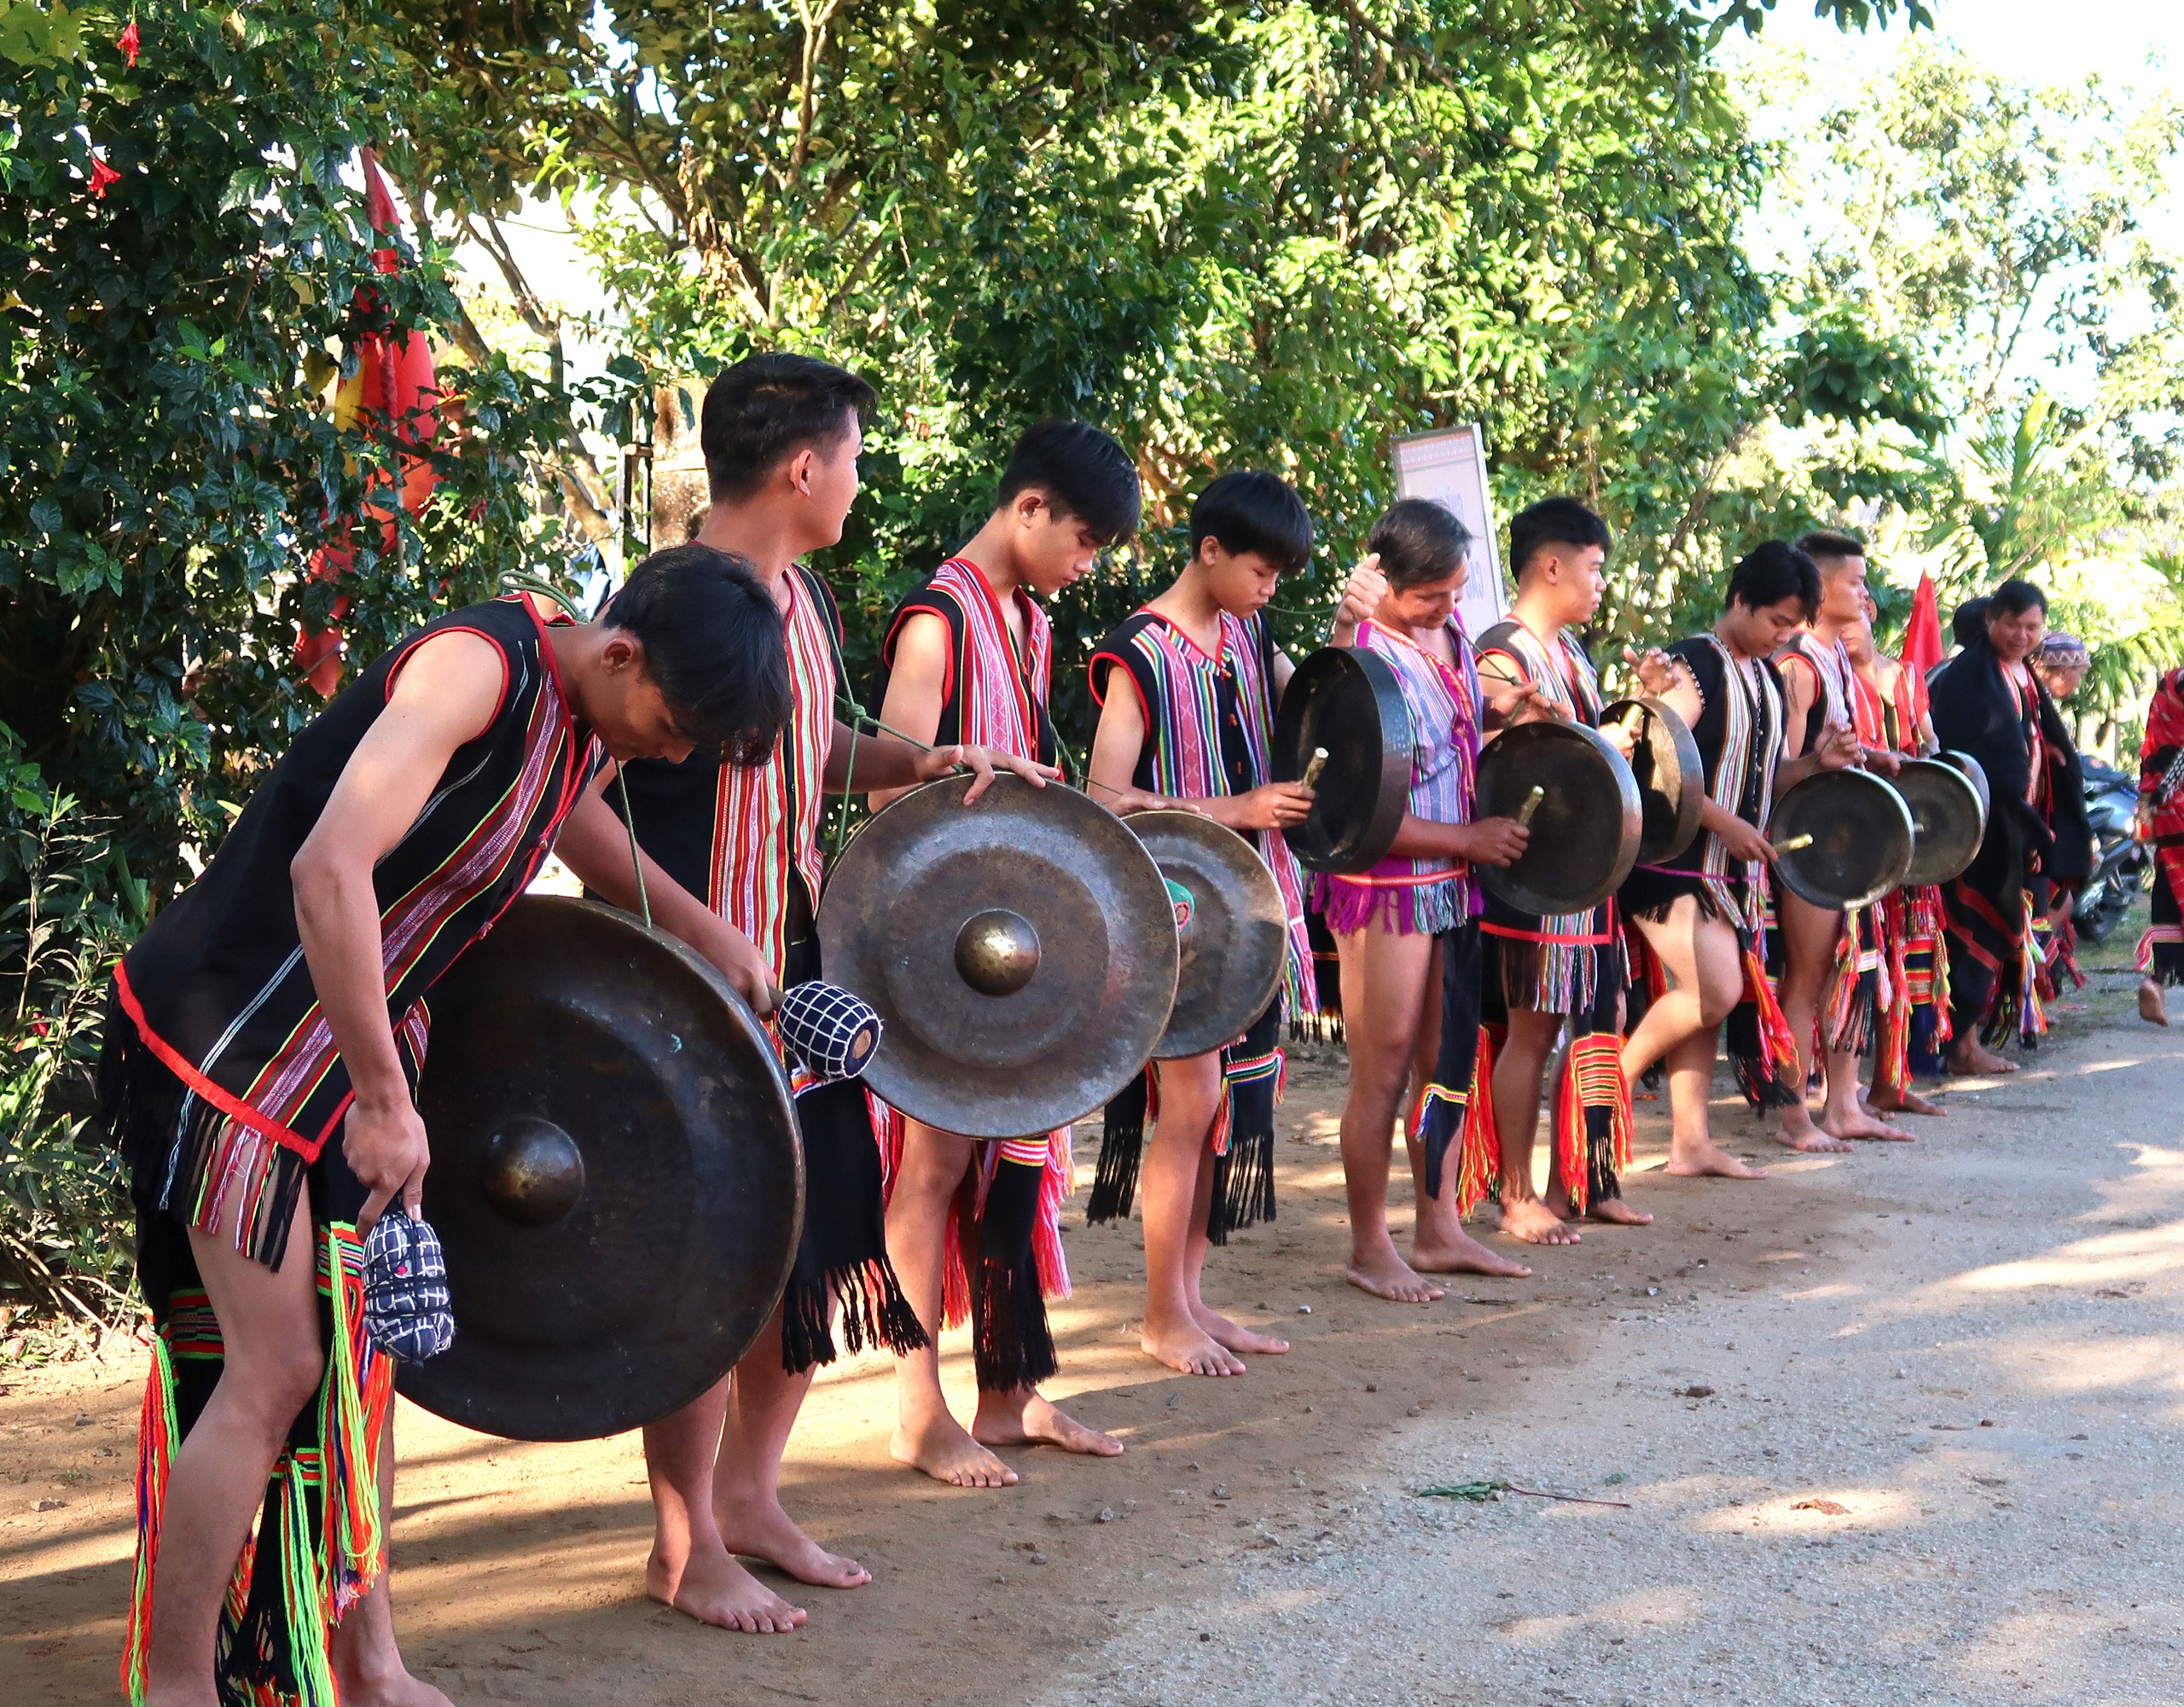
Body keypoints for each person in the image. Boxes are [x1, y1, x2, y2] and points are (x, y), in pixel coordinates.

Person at [105, 548, 794, 1706]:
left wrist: (699, 930)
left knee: (362, 1358)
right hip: (232, 1042)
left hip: (344, 1045)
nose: (671, 755)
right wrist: (386, 1101)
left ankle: (369, 1663)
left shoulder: (583, 708)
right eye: (672, 726)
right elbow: (329, 869)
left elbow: (569, 818)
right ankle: (176, 1687)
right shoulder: (476, 669)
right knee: (278, 1368)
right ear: (621, 653)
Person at [608, 355, 1057, 1631]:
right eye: (853, 459)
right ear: (803, 467)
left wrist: (923, 760)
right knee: (712, 1258)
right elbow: (580, 801)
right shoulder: (666, 601)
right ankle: (684, 1544)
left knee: (807, 1232)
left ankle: (749, 1499)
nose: (859, 482)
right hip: (687, 974)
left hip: (795, 960)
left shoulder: (801, 601)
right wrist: (692, 935)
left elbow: (811, 757)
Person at [871, 420, 1148, 1475]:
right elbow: (891, 793)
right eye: (1083, 541)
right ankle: (917, 1408)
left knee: (1016, 1156)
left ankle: (1007, 1392)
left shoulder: (1027, 621)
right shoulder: (937, 621)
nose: (1087, 566)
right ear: (1029, 508)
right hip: (936, 940)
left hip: (1013, 941)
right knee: (934, 1163)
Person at [1083, 470, 1322, 1371]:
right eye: (1260, 571)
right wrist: (1238, 810)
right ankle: (1160, 1315)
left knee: (1223, 1105)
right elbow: (1105, 801)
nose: (1269, 589)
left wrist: (1347, 635)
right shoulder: (1139, 654)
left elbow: (1320, 706)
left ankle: (1189, 1298)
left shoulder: (1250, 635)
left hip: (1254, 911)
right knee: (1187, 1107)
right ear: (1210, 550)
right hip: (1177, 917)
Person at [1320, 499, 1533, 1301]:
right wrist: (1468, 839)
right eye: (1429, 595)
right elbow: (1358, 812)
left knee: (1446, 1062)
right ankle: (1368, 1245)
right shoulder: (1359, 658)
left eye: (1456, 591)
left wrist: (1502, 712)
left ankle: (1438, 1227)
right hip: (1387, 888)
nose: (1448, 606)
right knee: (1381, 1071)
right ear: (1380, 583)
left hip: (1450, 883)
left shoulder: (1450, 634)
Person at [1616, 542, 1860, 1180]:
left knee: (1708, 1002)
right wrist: (1728, 824)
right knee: (1715, 990)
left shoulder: (1767, 678)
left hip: (1724, 872)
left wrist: (1816, 764)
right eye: (1777, 621)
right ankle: (1610, 1080)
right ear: (1742, 600)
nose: (1784, 635)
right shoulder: (1694, 664)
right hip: (1673, 864)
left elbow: (1767, 777)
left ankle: (1691, 1143)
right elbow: (1658, 768)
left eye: (1793, 626)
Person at [1470, 496, 1650, 1245]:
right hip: (1536, 875)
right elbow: (1492, 762)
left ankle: (1584, 1179)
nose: (1601, 582)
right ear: (1552, 565)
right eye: (1595, 567)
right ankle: (1515, 1195)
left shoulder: (1571, 654)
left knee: (1599, 1025)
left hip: (1586, 876)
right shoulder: (1499, 654)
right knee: (1533, 1031)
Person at [1769, 531, 1905, 1150]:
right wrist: (1829, 761)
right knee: (1807, 977)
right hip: (1808, 843)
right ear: (1822, 590)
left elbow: (1834, 749)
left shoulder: (1834, 658)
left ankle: (1844, 1105)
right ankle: (1794, 1115)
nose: (1866, 592)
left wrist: (1874, 756)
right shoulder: (1797, 665)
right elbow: (1780, 770)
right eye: (1856, 581)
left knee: (1847, 970)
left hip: (1844, 838)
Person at [1929, 578, 2094, 1072]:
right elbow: (1965, 751)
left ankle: (1970, 1039)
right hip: (1983, 827)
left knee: (2015, 924)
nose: (2022, 636)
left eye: (2032, 627)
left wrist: (2049, 752)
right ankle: (1961, 1047)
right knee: (1974, 927)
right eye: (2012, 625)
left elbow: (2029, 733)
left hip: (2023, 823)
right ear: (1991, 621)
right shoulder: (1967, 678)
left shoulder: (2022, 674)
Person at [1848, 611, 1951, 1118]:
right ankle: (1836, 1094)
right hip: (1853, 837)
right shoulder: (1826, 676)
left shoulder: (1907, 677)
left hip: (1910, 834)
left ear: (1868, 612)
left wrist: (1927, 760)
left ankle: (1890, 1081)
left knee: (1907, 960)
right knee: (1851, 964)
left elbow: (1930, 739)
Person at [2136, 665, 2184, 1025]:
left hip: (2167, 804)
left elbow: (2152, 745)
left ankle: (2156, 979)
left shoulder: (2169, 682)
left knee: (2170, 887)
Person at [2035, 632, 2091, 705]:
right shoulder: (2029, 699)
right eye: (2081, 675)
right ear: (2064, 671)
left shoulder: (2036, 697)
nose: (2078, 684)